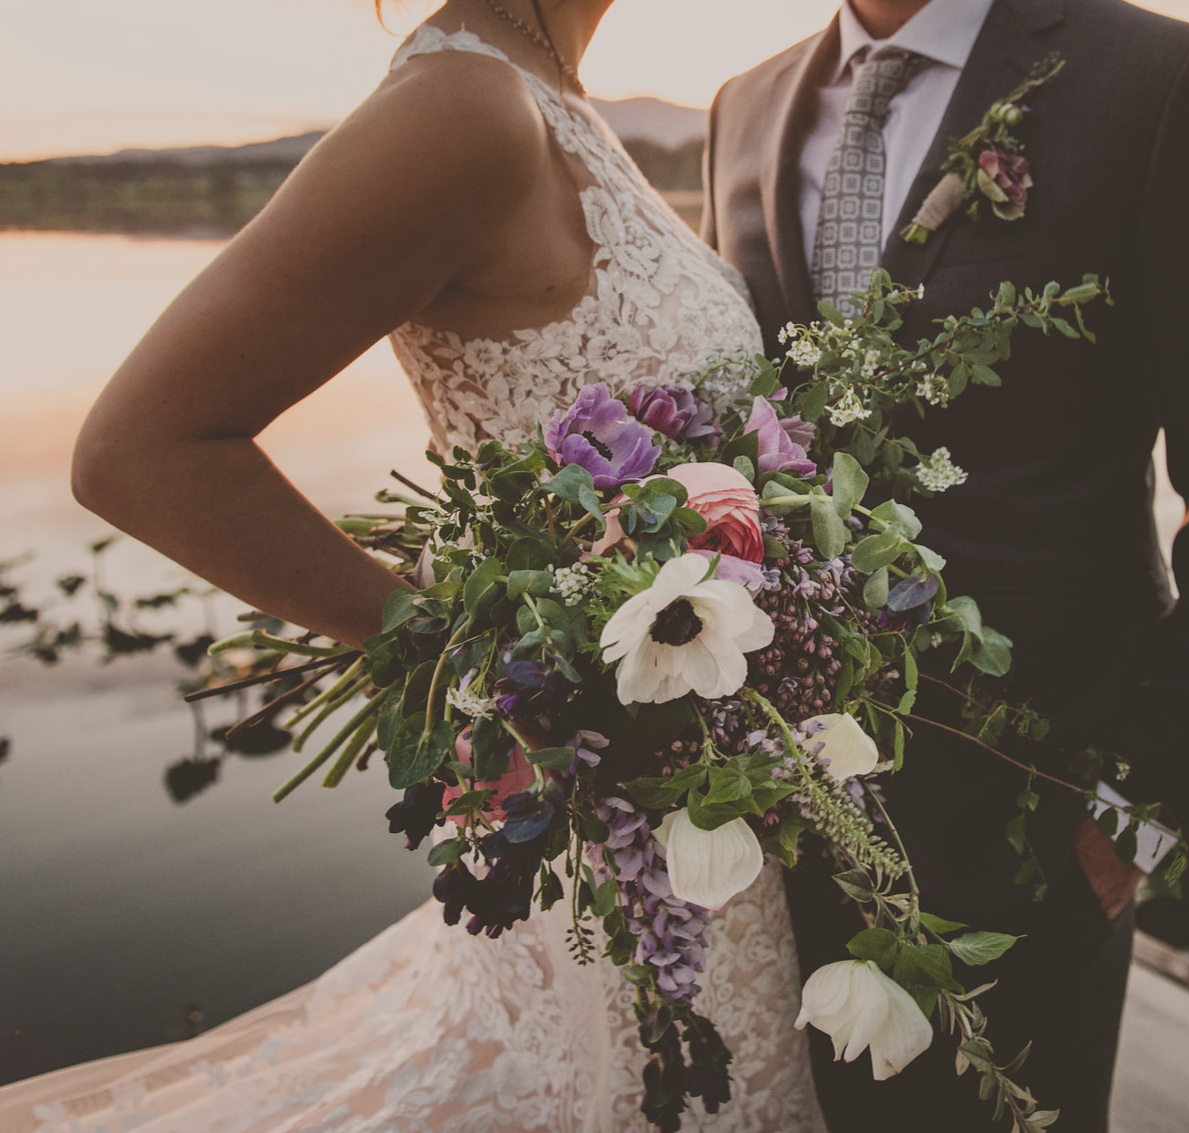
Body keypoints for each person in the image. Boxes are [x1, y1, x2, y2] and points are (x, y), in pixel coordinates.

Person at [0, 2, 829, 1130]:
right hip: (603, 804)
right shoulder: (462, 107)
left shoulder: (551, 92)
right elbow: (135, 452)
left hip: (693, 814)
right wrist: (479, 678)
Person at [702, 0, 1189, 1128]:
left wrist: (1137, 814)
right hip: (782, 806)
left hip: (1034, 827)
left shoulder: (1159, 80)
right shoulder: (743, 106)